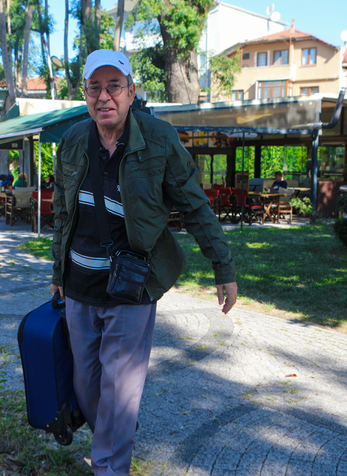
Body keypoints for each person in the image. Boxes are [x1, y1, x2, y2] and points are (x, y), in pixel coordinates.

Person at [50, 49, 237, 476]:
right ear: (84, 94)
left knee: (120, 390)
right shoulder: (74, 141)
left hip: (133, 288)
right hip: (79, 286)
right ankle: (115, 435)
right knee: (87, 387)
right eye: (95, 87)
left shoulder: (159, 140)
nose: (105, 96)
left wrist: (222, 266)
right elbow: (62, 213)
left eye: (114, 85)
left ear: (132, 91)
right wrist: (57, 273)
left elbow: (195, 206)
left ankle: (110, 465)